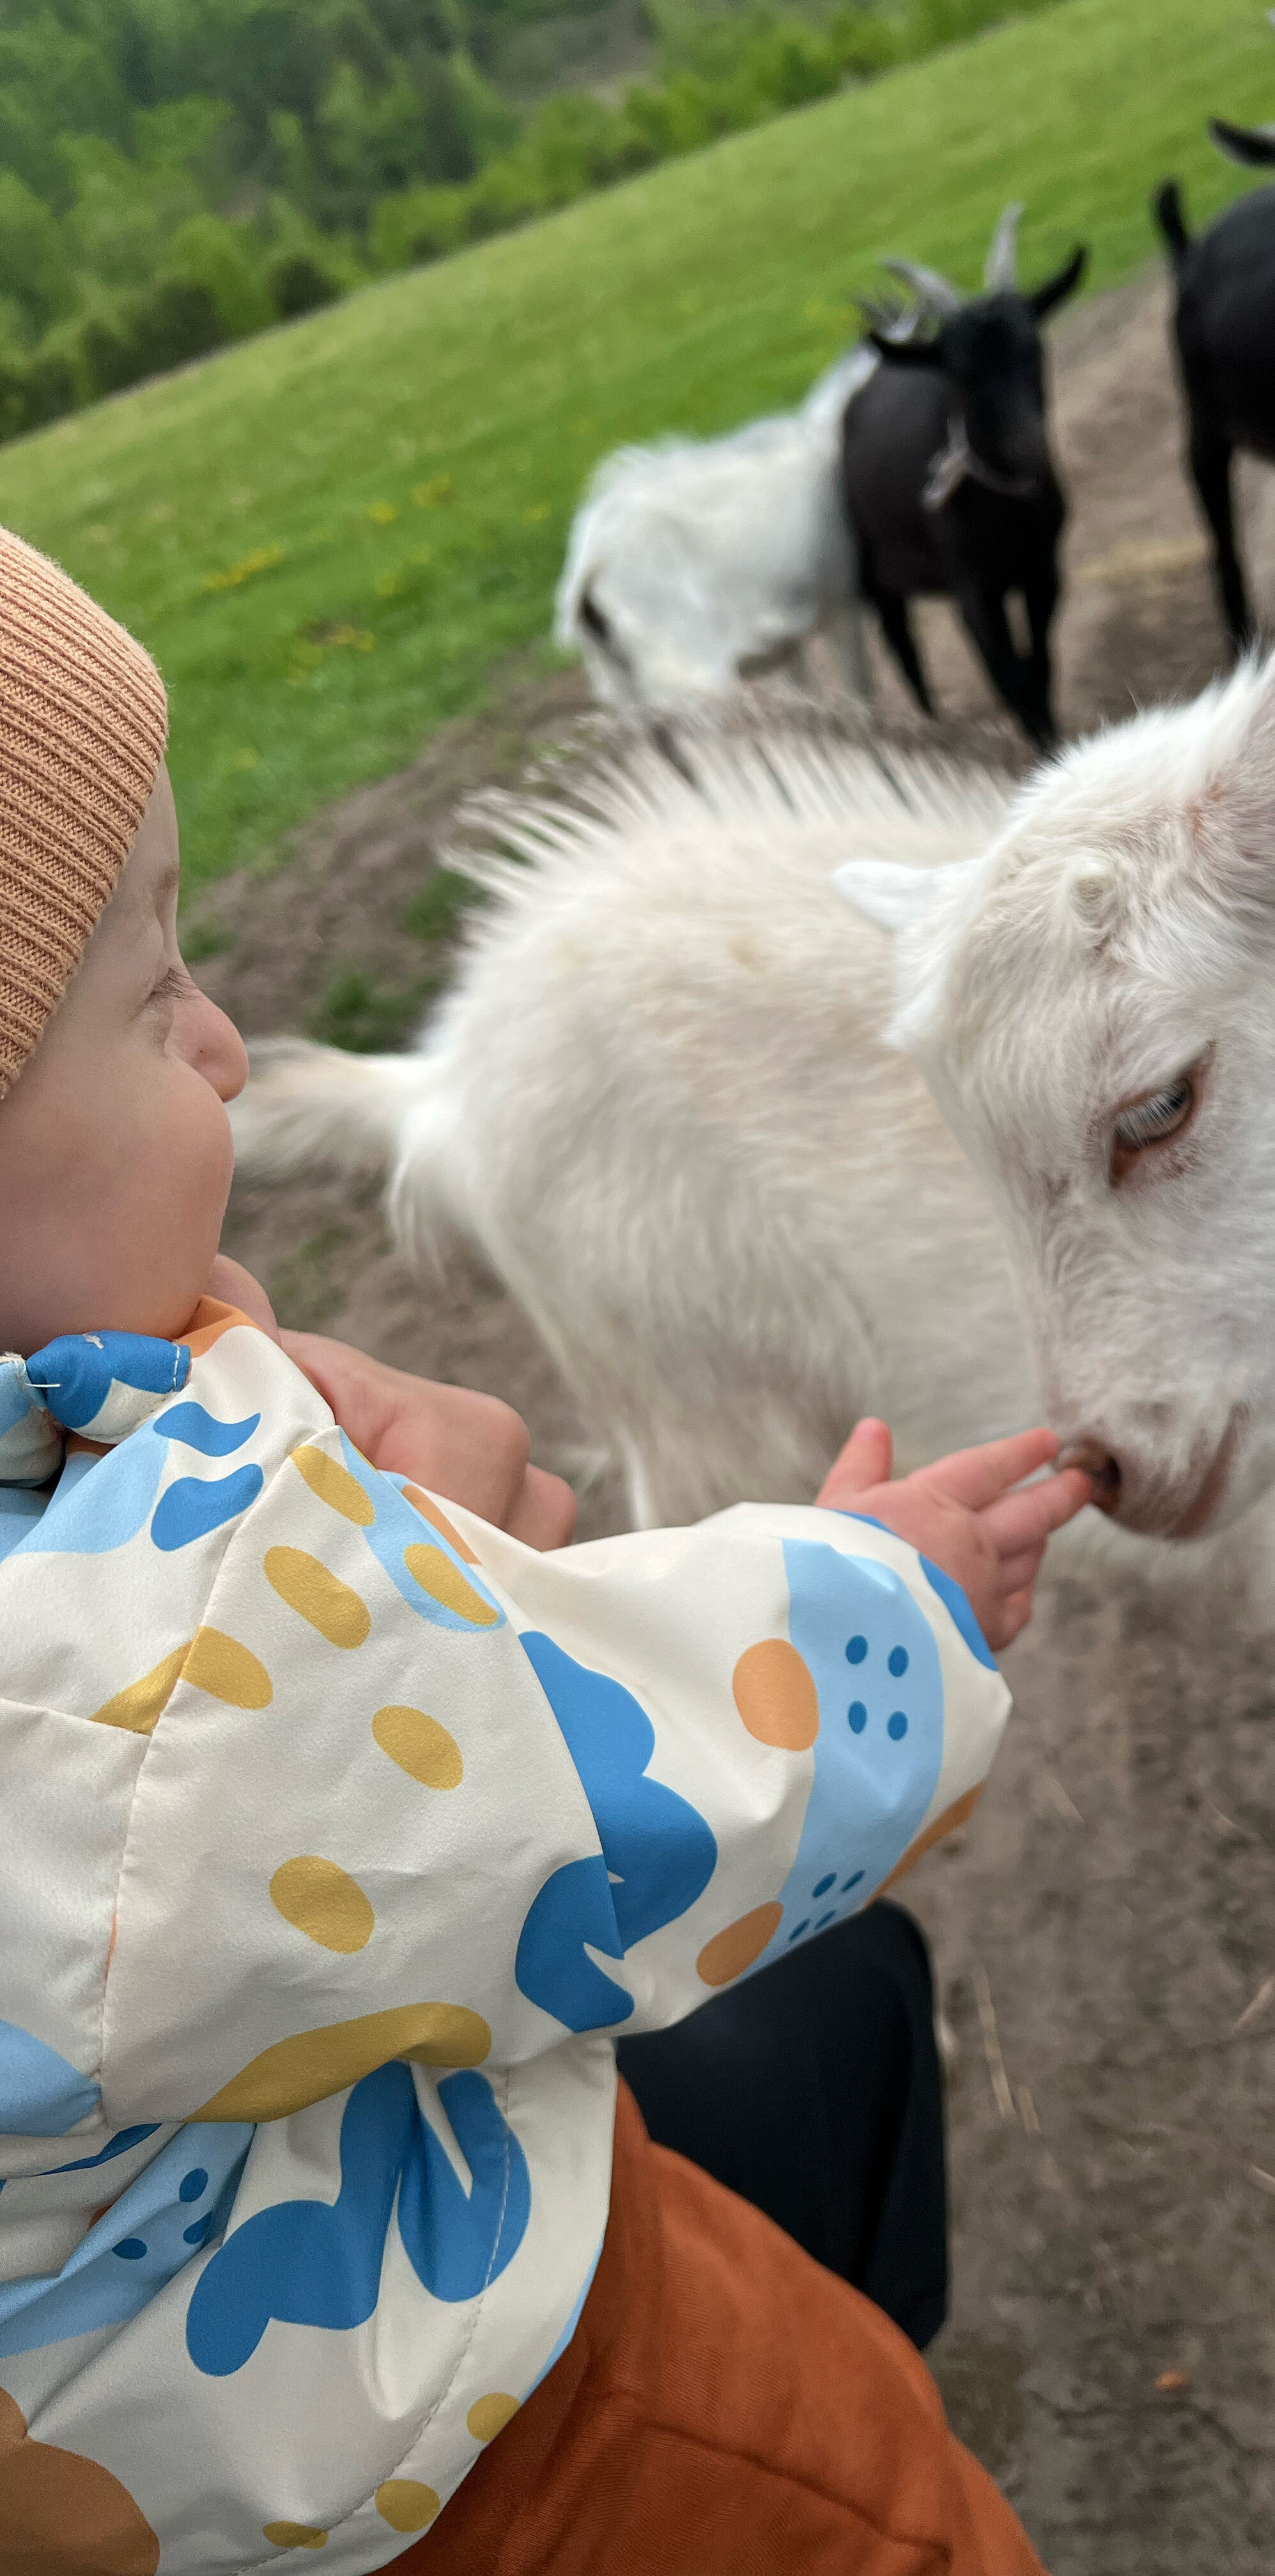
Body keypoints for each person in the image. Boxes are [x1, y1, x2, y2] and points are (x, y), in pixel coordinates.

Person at [0, 525, 1090, 2575]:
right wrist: (895, 1607)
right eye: (155, 999)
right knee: (868, 2495)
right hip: (443, 2435)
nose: (229, 1042)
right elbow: (604, 1782)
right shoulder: (134, 1663)